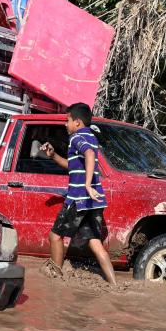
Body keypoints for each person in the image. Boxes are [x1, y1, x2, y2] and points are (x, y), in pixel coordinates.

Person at [39, 102, 117, 284]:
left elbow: (88, 154)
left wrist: (87, 185)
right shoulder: (91, 137)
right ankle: (114, 285)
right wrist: (53, 156)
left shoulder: (76, 138)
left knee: (55, 236)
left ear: (77, 122)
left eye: (67, 120)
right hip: (94, 202)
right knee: (95, 243)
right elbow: (73, 165)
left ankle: (56, 278)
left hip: (78, 199)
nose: (65, 124)